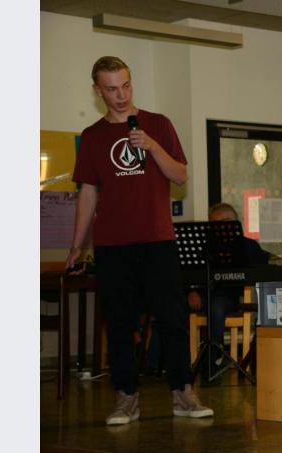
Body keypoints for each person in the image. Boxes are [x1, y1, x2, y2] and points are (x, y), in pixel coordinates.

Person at [66, 56, 213, 425]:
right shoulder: (94, 137)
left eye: (126, 86)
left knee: (172, 318)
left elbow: (180, 174)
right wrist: (76, 246)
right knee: (118, 322)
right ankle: (126, 397)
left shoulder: (158, 125)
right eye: (112, 89)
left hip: (157, 240)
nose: (121, 95)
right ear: (97, 91)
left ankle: (183, 393)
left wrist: (151, 146)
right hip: (113, 246)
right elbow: (88, 193)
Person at [187, 202, 268, 385]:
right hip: (201, 295)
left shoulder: (248, 246)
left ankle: (212, 361)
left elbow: (261, 271)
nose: (217, 230)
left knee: (216, 307)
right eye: (213, 226)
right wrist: (192, 291)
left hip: (227, 298)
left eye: (222, 224)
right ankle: (161, 364)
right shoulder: (205, 247)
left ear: (233, 223)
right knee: (168, 305)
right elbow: (190, 271)